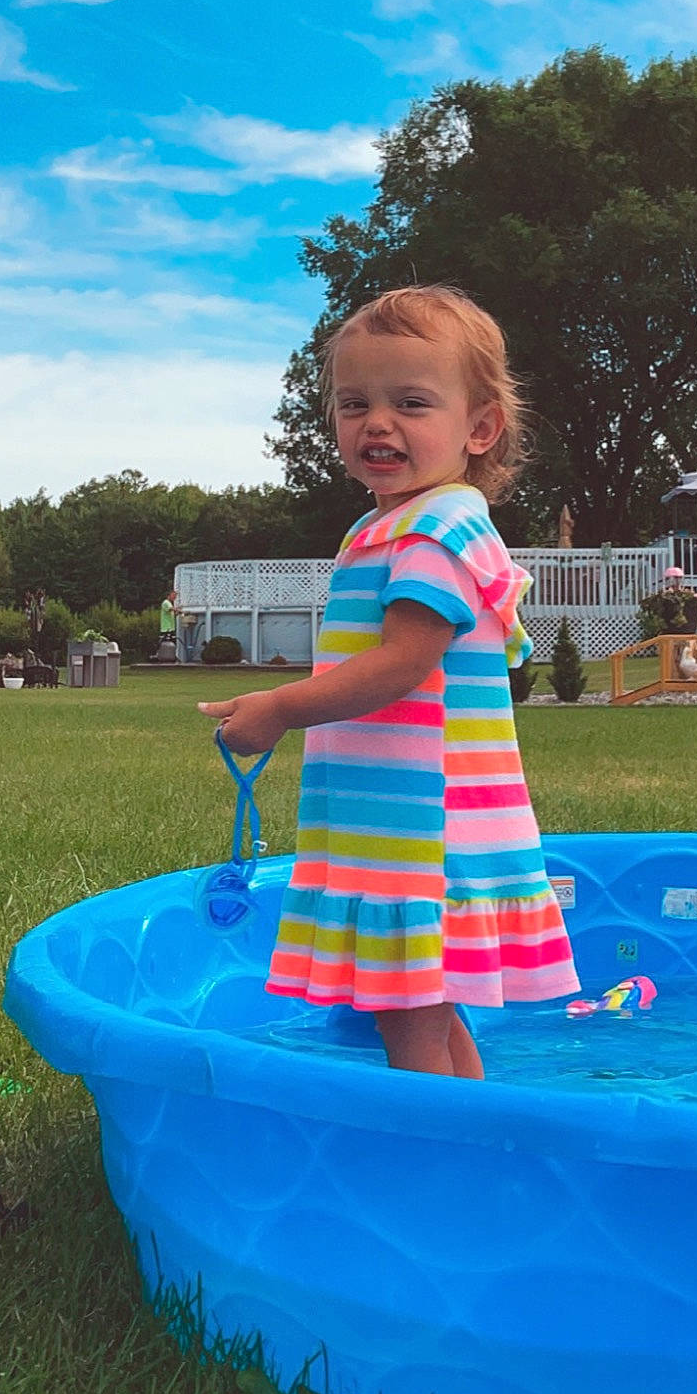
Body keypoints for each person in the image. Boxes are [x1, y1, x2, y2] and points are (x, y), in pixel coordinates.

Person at [198, 284, 579, 1079]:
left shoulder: (436, 529)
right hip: (397, 822)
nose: (376, 423)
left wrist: (278, 709)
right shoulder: (391, 525)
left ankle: (429, 1170)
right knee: (422, 1017)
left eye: (410, 402)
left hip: (423, 834)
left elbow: (404, 662)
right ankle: (472, 1136)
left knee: (405, 1021)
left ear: (478, 428)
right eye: (353, 404)